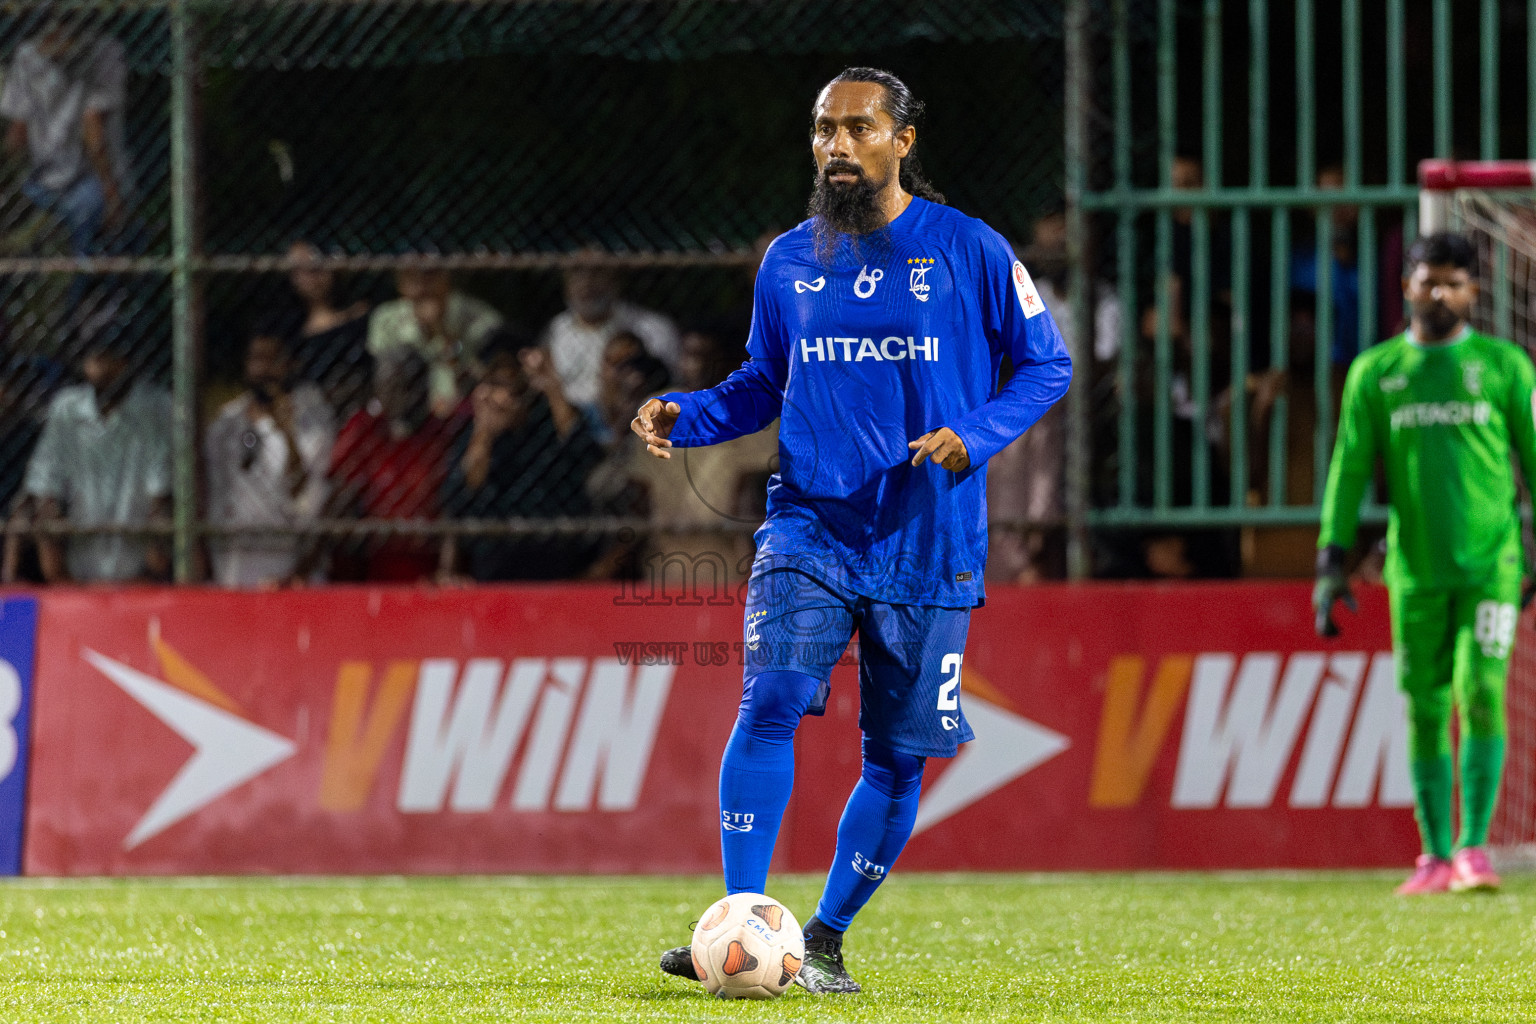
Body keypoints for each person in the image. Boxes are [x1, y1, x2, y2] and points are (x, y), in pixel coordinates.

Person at [638, 68, 1070, 992]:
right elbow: (761, 381)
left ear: (902, 141)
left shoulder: (973, 250)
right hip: (811, 527)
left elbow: (1046, 365)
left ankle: (824, 940)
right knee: (773, 699)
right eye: (824, 130)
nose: (836, 146)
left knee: (898, 756)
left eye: (857, 129)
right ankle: (742, 922)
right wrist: (689, 413)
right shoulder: (790, 259)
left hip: (930, 538)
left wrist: (977, 435)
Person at [1315, 233, 1536, 895]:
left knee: (1482, 692)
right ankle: (1434, 855)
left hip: (1492, 565)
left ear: (1474, 290)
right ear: (1405, 286)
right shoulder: (1376, 372)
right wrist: (1331, 560)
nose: (1438, 293)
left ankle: (1474, 849)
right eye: (1426, 280)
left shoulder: (1505, 367)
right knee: (1424, 707)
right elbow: (1349, 470)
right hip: (1413, 571)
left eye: (1452, 282)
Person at [627, 321, 777, 589]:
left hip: (730, 559)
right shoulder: (657, 407)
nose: (695, 364)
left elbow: (752, 493)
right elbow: (640, 491)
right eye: (689, 355)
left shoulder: (749, 407)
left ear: (722, 361)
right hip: (665, 555)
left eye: (705, 356)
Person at [440, 343, 602, 581]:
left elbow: (583, 453)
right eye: (496, 385)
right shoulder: (474, 433)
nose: (504, 397)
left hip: (555, 550)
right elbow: (464, 493)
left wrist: (552, 387)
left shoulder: (547, 422)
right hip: (495, 556)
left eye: (513, 387)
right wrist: (484, 429)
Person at [22, 336, 171, 582]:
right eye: (95, 358)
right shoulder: (67, 408)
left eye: (110, 358)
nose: (101, 368)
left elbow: (162, 498)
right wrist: (59, 576)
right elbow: (45, 490)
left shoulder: (157, 407)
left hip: (138, 573)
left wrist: (149, 574)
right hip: (77, 571)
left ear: (126, 361)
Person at [309, 352, 465, 582]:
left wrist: (446, 571)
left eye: (409, 386)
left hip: (427, 560)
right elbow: (340, 491)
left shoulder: (441, 433)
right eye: (389, 387)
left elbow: (452, 507)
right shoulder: (366, 428)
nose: (401, 396)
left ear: (424, 388)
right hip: (373, 558)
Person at [204, 331, 334, 587]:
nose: (262, 369)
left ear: (290, 364)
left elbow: (307, 495)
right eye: (256, 359)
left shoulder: (312, 418)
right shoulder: (227, 421)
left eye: (271, 360)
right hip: (231, 564)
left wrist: (287, 433)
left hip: (286, 565)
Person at [0, 8, 131, 259]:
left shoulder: (99, 52)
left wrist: (109, 188)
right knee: (89, 251)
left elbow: (92, 129)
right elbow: (17, 134)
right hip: (61, 182)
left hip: (75, 180)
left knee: (89, 240)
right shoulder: (29, 55)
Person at [541, 254, 679, 408]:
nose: (587, 282)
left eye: (597, 272)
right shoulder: (557, 329)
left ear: (615, 280)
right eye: (577, 272)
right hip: (568, 415)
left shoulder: (651, 328)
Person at [366, 267, 502, 416]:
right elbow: (383, 372)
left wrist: (439, 329)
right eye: (412, 275)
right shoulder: (385, 318)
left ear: (446, 276)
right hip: (406, 410)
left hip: (465, 410)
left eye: (430, 273)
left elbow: (479, 367)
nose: (422, 282)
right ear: (401, 283)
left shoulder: (479, 316)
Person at [283, 240, 373, 419]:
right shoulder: (290, 329)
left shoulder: (360, 317)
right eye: (298, 270)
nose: (309, 277)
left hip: (359, 408)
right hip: (311, 415)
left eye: (314, 267)